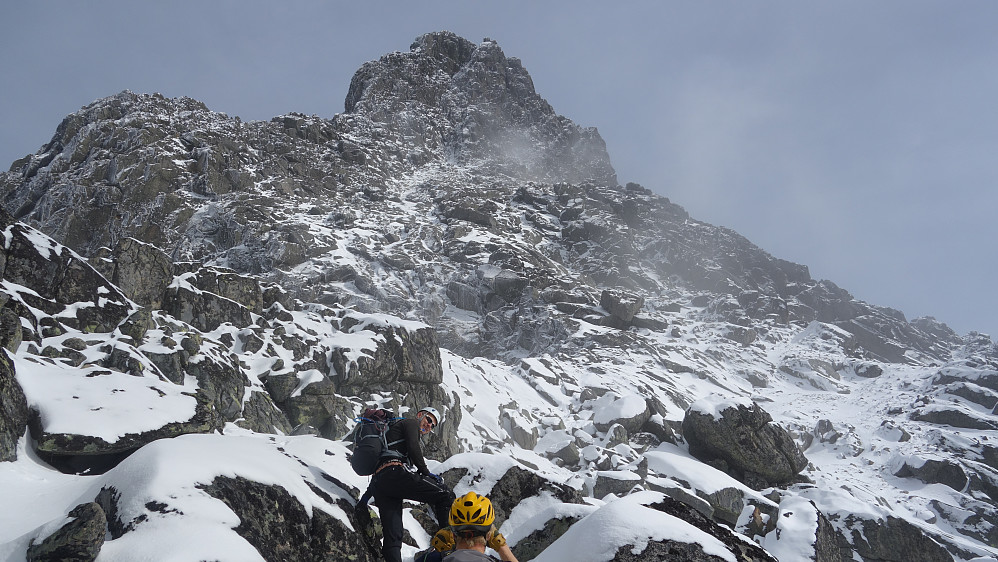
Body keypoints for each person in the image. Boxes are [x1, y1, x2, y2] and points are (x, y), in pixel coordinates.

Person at [370, 406, 455, 562]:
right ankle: (448, 549)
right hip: (395, 472)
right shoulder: (411, 423)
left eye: (433, 425)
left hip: (381, 482)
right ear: (419, 415)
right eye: (428, 419)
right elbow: (413, 446)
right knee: (445, 495)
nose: (429, 425)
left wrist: (365, 499)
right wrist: (425, 471)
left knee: (393, 536)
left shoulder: (395, 433)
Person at [415, 492, 519, 562]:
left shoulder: (433, 559)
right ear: (488, 535)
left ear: (453, 535)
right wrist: (501, 545)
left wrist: (439, 552)